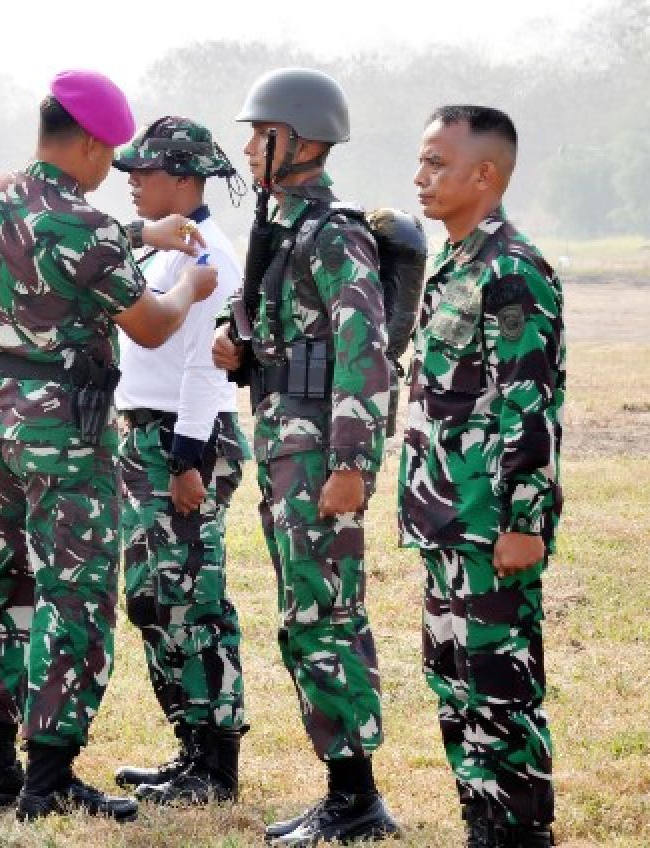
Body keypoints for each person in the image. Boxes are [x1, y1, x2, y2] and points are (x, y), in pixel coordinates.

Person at [0, 70, 219, 823]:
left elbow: (53, 239)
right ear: (95, 144)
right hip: (62, 433)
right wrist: (189, 289)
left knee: (11, 587)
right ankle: (49, 777)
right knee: (73, 598)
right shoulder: (91, 227)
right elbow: (149, 323)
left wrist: (141, 233)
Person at [211, 67, 400, 844]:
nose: (250, 148)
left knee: (326, 616)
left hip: (322, 454)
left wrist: (351, 464)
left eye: (262, 135)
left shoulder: (332, 231)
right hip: (287, 447)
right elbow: (278, 336)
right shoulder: (281, 229)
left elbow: (365, 349)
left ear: (300, 140)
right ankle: (345, 791)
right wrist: (238, 347)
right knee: (303, 614)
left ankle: (356, 799)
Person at [402, 104, 564, 848]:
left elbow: (530, 406)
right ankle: (483, 824)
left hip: (489, 523)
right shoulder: (454, 263)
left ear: (485, 174)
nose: (421, 176)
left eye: (437, 162)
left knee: (502, 691)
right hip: (444, 517)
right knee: (454, 681)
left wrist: (525, 523)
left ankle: (522, 833)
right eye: (422, 160)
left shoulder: (512, 271)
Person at [109, 116, 250, 805]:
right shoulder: (167, 247)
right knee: (154, 599)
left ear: (187, 179)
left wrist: (188, 459)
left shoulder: (207, 255)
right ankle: (189, 748)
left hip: (185, 440)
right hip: (147, 437)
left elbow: (207, 369)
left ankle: (214, 765)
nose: (132, 182)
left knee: (192, 600)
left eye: (146, 171)